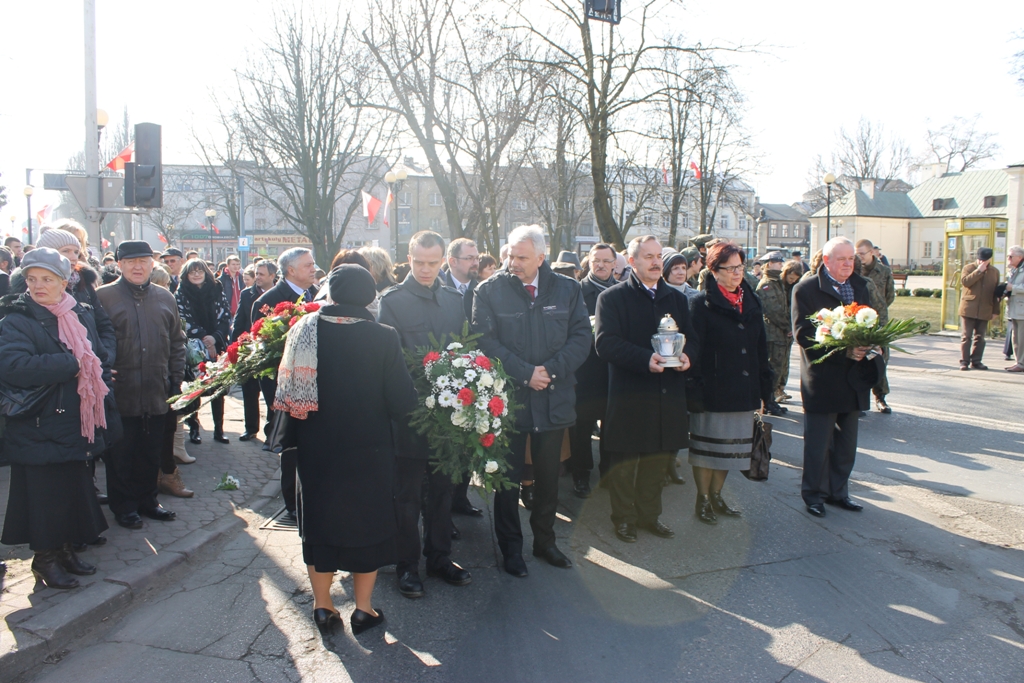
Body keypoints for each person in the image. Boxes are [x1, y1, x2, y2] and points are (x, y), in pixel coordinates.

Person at [275, 264, 417, 634]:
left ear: (331, 295)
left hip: (315, 450)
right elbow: (402, 402)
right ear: (370, 296)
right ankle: (363, 609)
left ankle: (323, 608)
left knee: (320, 524)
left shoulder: (302, 330)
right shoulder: (383, 336)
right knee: (365, 525)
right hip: (367, 451)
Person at [471, 225, 590, 575]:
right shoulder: (489, 291)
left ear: (541, 257)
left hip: (553, 399)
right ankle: (511, 550)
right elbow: (484, 341)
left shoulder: (567, 289)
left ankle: (545, 543)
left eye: (522, 257)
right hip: (509, 403)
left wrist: (549, 371)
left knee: (549, 479)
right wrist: (526, 373)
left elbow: (582, 337)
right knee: (507, 482)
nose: (513, 262)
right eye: (510, 254)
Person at [0, 249, 115, 589]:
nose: (38, 286)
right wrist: (71, 363)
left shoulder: (76, 312)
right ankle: (44, 560)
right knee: (43, 498)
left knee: (70, 491)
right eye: (32, 279)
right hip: (38, 424)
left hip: (73, 420)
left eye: (47, 279)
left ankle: (65, 550)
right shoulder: (15, 318)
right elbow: (13, 367)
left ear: (64, 282)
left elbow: (96, 347)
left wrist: (97, 359)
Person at [378, 231, 474, 599]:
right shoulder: (394, 301)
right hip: (410, 416)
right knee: (407, 498)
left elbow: (465, 349)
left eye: (433, 263)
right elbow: (390, 361)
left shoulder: (453, 300)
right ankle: (407, 567)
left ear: (443, 262)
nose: (425, 269)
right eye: (418, 262)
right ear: (408, 257)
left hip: (449, 417)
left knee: (442, 492)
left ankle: (440, 558)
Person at [596, 236, 696, 542]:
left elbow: (692, 338)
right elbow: (605, 343)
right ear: (633, 260)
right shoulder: (612, 298)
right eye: (648, 257)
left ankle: (649, 516)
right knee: (625, 464)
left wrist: (689, 357)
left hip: (667, 394)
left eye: (658, 257)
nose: (655, 262)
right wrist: (644, 359)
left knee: (656, 461)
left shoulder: (677, 299)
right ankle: (623, 518)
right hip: (630, 392)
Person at [96, 241, 186, 529]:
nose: (138, 267)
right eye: (131, 261)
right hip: (120, 394)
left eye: (144, 261)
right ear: (119, 265)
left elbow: (176, 341)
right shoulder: (103, 298)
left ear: (152, 264)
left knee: (151, 451)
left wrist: (175, 380)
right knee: (121, 454)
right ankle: (124, 506)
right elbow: (93, 342)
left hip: (156, 391)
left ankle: (148, 500)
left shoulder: (165, 297)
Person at [792, 237, 883, 518]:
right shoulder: (806, 289)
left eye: (851, 259)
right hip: (823, 377)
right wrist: (844, 350)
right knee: (819, 443)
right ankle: (814, 495)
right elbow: (803, 334)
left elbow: (870, 321)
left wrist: (871, 343)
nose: (848, 264)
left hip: (854, 377)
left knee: (846, 443)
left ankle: (838, 492)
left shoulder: (859, 286)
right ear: (827, 261)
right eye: (842, 259)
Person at [688, 241, 772, 524]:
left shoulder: (751, 300)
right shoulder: (701, 304)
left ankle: (717, 496)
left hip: (743, 389)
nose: (738, 273)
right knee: (707, 450)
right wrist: (695, 389)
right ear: (714, 270)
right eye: (730, 268)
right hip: (713, 389)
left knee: (730, 451)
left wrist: (764, 389)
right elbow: (695, 350)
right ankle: (702, 499)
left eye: (740, 267)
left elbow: (761, 348)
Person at [251, 247, 318, 523]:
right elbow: (260, 351)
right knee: (290, 443)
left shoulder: (315, 294)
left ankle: (312, 493)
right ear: (290, 270)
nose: (314, 269)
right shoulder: (269, 301)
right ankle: (292, 502)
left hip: (314, 381)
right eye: (308, 265)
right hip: (286, 385)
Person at [570, 243, 617, 498]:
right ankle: (581, 475)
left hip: (614, 371)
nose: (600, 265)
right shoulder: (577, 291)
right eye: (595, 260)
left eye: (606, 261)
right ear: (588, 262)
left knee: (611, 425)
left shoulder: (621, 291)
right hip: (586, 370)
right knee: (583, 428)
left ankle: (608, 472)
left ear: (614, 264)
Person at [442, 238, 485, 516]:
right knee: (447, 446)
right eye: (469, 258)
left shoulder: (481, 290)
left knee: (469, 442)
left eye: (477, 257)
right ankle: (443, 509)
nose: (475, 262)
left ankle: (460, 498)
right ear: (452, 261)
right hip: (445, 377)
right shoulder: (439, 288)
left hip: (475, 373)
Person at [176, 259, 232, 445]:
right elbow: (183, 319)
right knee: (194, 387)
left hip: (217, 344)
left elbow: (225, 316)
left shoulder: (217, 289)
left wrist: (215, 337)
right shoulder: (181, 292)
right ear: (186, 274)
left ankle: (219, 429)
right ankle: (194, 428)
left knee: (219, 388)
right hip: (194, 347)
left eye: (200, 271)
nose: (196, 274)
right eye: (192, 272)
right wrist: (203, 337)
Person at [234, 260, 277, 441]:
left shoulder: (279, 294)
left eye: (261, 274)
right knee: (249, 390)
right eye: (256, 274)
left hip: (271, 352)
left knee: (271, 394)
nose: (257, 277)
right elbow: (239, 321)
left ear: (272, 276)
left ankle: (271, 432)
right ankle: (250, 428)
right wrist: (236, 346)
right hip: (251, 350)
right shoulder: (246, 294)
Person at [855, 239, 895, 412]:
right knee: (860, 361)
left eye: (862, 253)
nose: (859, 257)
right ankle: (860, 400)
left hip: (878, 319)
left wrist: (877, 315)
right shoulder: (856, 271)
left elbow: (889, 296)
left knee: (880, 359)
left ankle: (881, 397)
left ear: (872, 252)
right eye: (857, 253)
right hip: (858, 320)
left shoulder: (884, 271)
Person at [755, 252, 790, 415]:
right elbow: (773, 311)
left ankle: (772, 399)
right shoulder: (766, 284)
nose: (781, 265)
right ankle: (767, 401)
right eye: (777, 263)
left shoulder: (777, 282)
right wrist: (787, 326)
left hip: (780, 334)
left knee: (779, 367)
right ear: (768, 264)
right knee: (772, 368)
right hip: (772, 334)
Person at [958, 247, 1000, 370]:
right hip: (969, 307)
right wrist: (979, 271)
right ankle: (964, 361)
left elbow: (995, 293)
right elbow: (965, 282)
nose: (983, 262)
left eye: (985, 260)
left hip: (985, 308)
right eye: (981, 259)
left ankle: (976, 361)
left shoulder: (994, 271)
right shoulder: (969, 268)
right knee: (966, 336)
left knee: (980, 337)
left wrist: (996, 310)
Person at [1003, 246, 1024, 372]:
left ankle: (1021, 363)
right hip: (1013, 308)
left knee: (1021, 338)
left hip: (1022, 309)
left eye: (1011, 256)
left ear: (1020, 257)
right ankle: (1018, 361)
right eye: (1008, 256)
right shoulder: (1013, 270)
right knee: (1015, 337)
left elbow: (1017, 287)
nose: (1008, 259)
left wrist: (1013, 288)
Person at [219, 254, 245, 319]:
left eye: (237, 264)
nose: (236, 266)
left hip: (240, 311)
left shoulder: (241, 278)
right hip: (227, 312)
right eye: (233, 264)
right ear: (227, 265)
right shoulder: (222, 279)